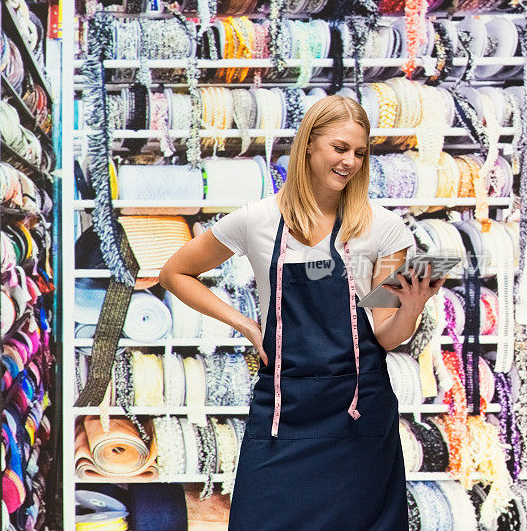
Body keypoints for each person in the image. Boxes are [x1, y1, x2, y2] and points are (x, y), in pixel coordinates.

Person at [159, 95, 446, 530]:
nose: (350, 161)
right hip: (283, 410)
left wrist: (413, 306)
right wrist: (247, 326)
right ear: (309, 144)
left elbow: (385, 336)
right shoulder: (257, 220)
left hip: (359, 414)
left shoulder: (383, 228)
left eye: (360, 153)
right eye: (340, 148)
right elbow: (175, 272)